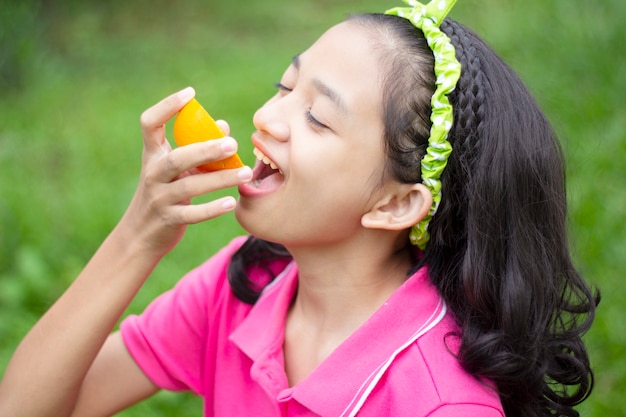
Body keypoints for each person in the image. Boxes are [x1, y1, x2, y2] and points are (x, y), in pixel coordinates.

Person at [0, 0, 598, 416]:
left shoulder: (438, 402)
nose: (267, 116)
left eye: (315, 117)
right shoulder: (246, 284)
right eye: (286, 87)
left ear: (395, 204)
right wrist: (138, 236)